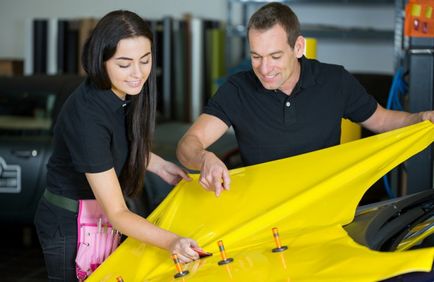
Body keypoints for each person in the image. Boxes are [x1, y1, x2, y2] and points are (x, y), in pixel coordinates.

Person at [176, 2, 434, 197]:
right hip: (262, 211)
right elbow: (189, 144)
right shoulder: (237, 89)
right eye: (256, 56)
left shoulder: (335, 81)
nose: (265, 69)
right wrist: (204, 158)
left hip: (325, 207)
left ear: (298, 47)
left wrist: (421, 118)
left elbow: (383, 120)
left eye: (275, 56)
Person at [34, 10, 201, 281]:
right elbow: (118, 212)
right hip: (69, 223)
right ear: (101, 61)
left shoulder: (125, 89)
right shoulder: (87, 115)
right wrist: (172, 242)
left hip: (99, 215)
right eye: (124, 64)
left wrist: (160, 166)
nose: (138, 73)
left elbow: (118, 142)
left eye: (145, 61)